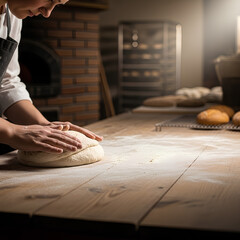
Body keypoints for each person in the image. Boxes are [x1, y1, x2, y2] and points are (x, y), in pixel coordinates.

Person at [0, 0, 103, 155]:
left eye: (57, 5)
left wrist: (43, 125)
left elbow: (6, 83)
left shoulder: (12, 17)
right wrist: (12, 132)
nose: (47, 13)